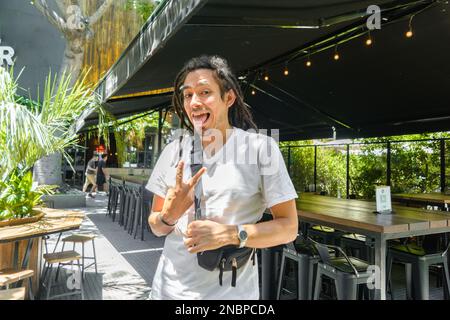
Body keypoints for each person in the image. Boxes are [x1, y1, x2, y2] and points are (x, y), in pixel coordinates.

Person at [146, 55, 298, 300]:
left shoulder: (261, 149)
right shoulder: (174, 150)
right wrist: (169, 215)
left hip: (232, 296)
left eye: (205, 92)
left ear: (228, 98)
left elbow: (289, 228)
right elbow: (155, 226)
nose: (194, 102)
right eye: (187, 95)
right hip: (168, 292)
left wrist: (229, 234)